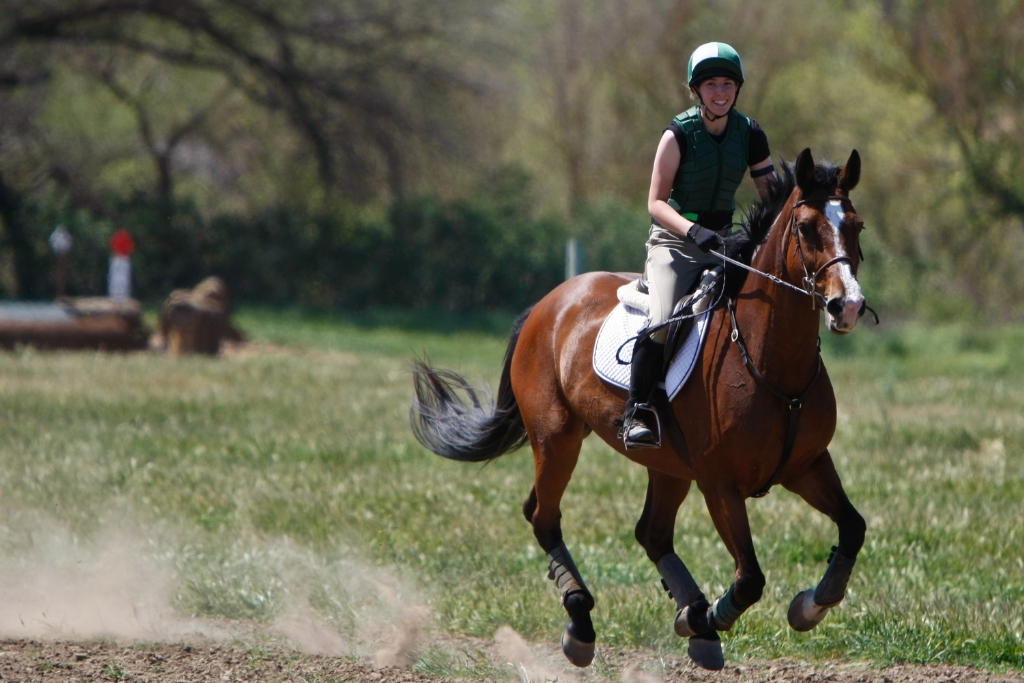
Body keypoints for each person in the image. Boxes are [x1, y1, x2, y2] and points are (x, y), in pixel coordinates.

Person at [621, 42, 776, 449]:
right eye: (711, 84)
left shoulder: (751, 133)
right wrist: (692, 231)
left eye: (727, 83)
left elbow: (770, 195)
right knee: (663, 320)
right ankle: (636, 410)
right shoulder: (677, 134)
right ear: (696, 90)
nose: (720, 92)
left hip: (725, 241)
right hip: (675, 243)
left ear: (737, 88)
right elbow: (655, 202)